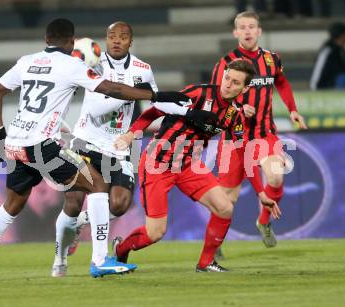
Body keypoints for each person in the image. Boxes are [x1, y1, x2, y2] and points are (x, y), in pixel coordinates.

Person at [0, 18, 189, 284]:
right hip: (42, 145)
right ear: (71, 42)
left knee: (12, 204)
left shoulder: (27, 61)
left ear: (46, 40)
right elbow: (111, 88)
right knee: (98, 184)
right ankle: (100, 261)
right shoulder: (71, 65)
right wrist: (155, 96)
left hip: (15, 142)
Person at [113, 60, 280, 273]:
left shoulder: (235, 116)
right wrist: (131, 133)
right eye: (227, 77)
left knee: (225, 207)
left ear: (245, 88)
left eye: (235, 82)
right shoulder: (198, 93)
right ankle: (121, 248)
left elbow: (243, 153)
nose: (227, 84)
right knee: (155, 233)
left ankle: (205, 263)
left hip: (189, 166)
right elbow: (156, 111)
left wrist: (261, 193)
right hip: (157, 164)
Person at [50, 21, 159, 277]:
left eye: (123, 36)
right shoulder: (91, 64)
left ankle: (81, 225)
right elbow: (88, 103)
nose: (117, 40)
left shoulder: (144, 70)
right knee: (74, 200)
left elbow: (153, 105)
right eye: (112, 36)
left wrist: (134, 132)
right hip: (85, 141)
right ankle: (60, 259)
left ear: (131, 41)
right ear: (105, 40)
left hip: (120, 148)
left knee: (120, 204)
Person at [210, 11, 307, 249]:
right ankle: (214, 242)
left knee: (275, 176)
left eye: (251, 27)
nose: (247, 31)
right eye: (242, 27)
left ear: (259, 31)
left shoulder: (272, 60)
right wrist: (239, 107)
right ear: (235, 33)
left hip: (265, 134)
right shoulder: (226, 62)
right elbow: (215, 97)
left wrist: (292, 109)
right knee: (227, 199)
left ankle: (263, 222)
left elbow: (281, 82)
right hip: (234, 139)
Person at [310, 22, 345, 90]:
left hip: (336, 85)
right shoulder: (327, 51)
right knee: (343, 78)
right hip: (324, 90)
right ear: (341, 36)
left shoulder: (342, 52)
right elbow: (316, 80)